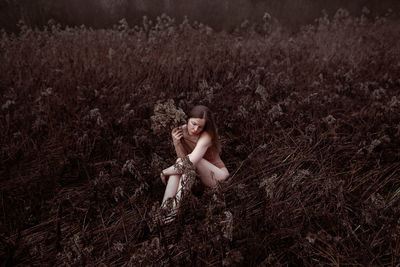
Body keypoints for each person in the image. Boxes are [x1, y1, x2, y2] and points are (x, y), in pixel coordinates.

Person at [160, 105, 229, 217]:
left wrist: (165, 171)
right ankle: (162, 213)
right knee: (178, 170)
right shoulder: (180, 131)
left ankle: (173, 212)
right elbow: (184, 162)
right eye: (193, 124)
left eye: (200, 127)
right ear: (188, 119)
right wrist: (177, 141)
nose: (195, 129)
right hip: (197, 174)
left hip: (218, 176)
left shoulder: (207, 136)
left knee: (194, 161)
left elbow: (190, 162)